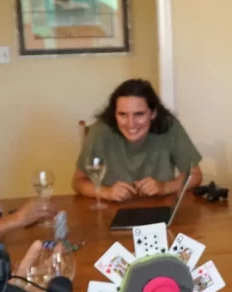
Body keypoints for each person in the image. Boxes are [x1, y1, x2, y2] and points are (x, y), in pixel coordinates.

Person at [72, 79, 202, 203]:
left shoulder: (169, 126)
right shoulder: (100, 131)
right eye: (122, 114)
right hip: (111, 209)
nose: (131, 124)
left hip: (159, 206)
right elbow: (78, 181)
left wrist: (164, 187)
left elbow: (195, 175)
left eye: (139, 114)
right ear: (114, 114)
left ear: (153, 113)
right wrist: (107, 192)